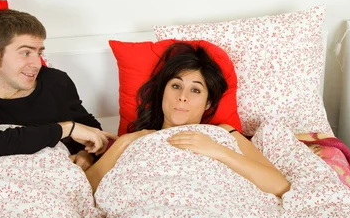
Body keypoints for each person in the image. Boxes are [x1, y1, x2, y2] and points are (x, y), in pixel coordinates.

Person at [85, 42, 291, 197]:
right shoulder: (133, 140)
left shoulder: (223, 133)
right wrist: (124, 142)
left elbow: (278, 186)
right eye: (176, 86)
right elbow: (84, 190)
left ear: (208, 103)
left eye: (195, 90)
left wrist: (217, 150)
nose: (183, 96)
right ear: (163, 93)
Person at [0, 9, 116, 168]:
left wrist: (87, 156)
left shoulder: (56, 82)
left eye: (39, 53)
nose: (37, 64)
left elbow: (89, 128)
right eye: (25, 53)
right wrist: (64, 129)